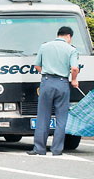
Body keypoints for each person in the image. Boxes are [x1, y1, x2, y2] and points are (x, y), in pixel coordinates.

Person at [27, 26, 79, 156]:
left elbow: (37, 65)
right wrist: (74, 80)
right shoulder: (71, 50)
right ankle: (57, 150)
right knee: (61, 118)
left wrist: (46, 73)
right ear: (68, 36)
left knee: (43, 116)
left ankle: (39, 148)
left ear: (58, 34)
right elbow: (74, 68)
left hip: (47, 82)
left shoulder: (44, 47)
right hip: (62, 84)